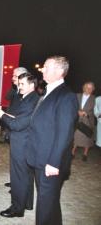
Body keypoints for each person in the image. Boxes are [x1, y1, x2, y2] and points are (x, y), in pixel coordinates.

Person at [26, 56, 78, 225]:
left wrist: (54, 163)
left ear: (60, 72)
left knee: (45, 206)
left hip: (50, 161)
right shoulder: (49, 91)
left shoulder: (66, 96)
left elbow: (65, 133)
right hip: (40, 157)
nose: (42, 69)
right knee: (50, 203)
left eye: (47, 67)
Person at [0, 73, 39, 218]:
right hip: (25, 141)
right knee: (26, 175)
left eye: (22, 84)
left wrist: (2, 115)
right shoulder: (29, 98)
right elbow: (21, 118)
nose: (18, 87)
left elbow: (18, 124)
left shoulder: (31, 100)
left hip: (22, 143)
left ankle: (17, 209)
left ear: (32, 85)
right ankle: (26, 203)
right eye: (18, 84)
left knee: (18, 176)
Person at [72, 82, 96, 161]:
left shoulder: (94, 99)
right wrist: (77, 111)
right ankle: (72, 152)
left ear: (93, 90)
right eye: (87, 87)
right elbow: (72, 105)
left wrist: (87, 114)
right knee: (75, 136)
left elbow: (95, 111)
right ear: (84, 88)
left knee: (87, 137)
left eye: (91, 88)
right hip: (77, 119)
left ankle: (85, 154)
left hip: (88, 121)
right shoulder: (77, 95)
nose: (88, 89)